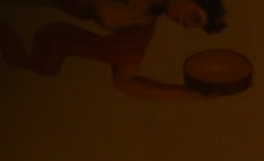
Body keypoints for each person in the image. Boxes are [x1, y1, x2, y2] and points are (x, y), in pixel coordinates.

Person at [0, 0, 240, 99]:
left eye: (194, 26)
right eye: (194, 17)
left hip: (41, 18)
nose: (187, 25)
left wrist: (189, 92)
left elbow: (126, 81)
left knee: (45, 63)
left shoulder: (140, 25)